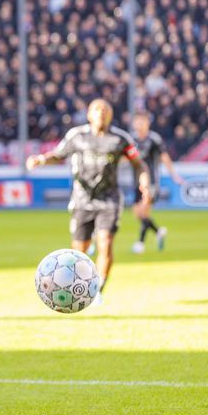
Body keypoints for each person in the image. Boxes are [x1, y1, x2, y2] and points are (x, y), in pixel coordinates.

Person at [26, 99, 151, 293]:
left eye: (105, 109)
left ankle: (97, 290)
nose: (101, 113)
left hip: (109, 199)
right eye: (97, 109)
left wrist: (144, 181)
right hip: (82, 199)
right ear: (88, 115)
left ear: (110, 114)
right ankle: (78, 287)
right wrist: (41, 160)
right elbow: (58, 155)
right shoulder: (77, 136)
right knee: (79, 252)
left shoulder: (120, 139)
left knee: (106, 243)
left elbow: (139, 164)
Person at [129, 112, 183, 254]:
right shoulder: (131, 139)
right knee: (137, 213)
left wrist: (174, 175)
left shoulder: (154, 139)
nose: (139, 124)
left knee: (144, 210)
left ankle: (140, 243)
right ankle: (158, 231)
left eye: (142, 122)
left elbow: (164, 157)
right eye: (137, 122)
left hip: (151, 181)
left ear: (147, 123)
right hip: (136, 181)